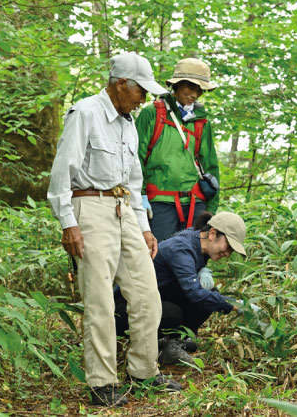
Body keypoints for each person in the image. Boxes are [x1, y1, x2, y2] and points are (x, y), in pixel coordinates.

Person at [47, 52, 181, 407]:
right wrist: (68, 223)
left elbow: (133, 181)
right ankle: (101, 384)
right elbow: (62, 172)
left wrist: (144, 226)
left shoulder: (127, 123)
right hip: (89, 208)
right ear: (121, 84)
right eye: (140, 91)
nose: (145, 99)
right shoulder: (86, 113)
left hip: (124, 211)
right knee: (101, 301)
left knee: (146, 294)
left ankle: (144, 371)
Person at [114, 211, 254, 365]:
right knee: (174, 312)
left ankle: (174, 341)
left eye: (231, 251)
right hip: (125, 310)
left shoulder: (197, 240)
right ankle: (161, 345)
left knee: (210, 295)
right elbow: (194, 293)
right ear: (212, 233)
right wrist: (235, 304)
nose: (227, 253)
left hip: (157, 297)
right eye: (228, 246)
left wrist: (201, 269)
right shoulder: (182, 248)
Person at [136, 58, 221, 243]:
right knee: (158, 257)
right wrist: (139, 197)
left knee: (192, 258)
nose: (195, 94)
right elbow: (135, 158)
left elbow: (210, 166)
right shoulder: (152, 114)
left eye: (200, 89)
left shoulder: (201, 121)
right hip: (159, 202)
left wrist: (211, 208)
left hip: (195, 202)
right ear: (177, 85)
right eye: (190, 87)